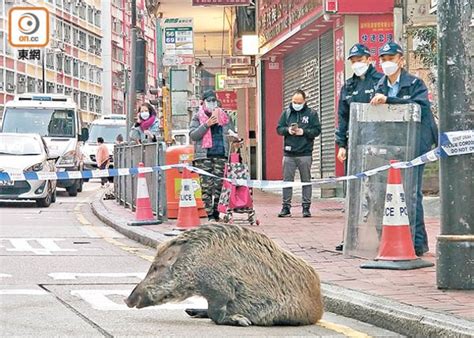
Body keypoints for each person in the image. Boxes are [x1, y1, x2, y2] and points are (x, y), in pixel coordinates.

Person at [370, 41, 438, 257]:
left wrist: (390, 99)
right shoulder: (379, 86)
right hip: (390, 146)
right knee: (389, 195)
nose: (387, 62)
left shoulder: (415, 83)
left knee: (411, 194)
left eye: (391, 58)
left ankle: (417, 242)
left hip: (415, 145)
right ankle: (390, 239)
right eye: (384, 59)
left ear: (401, 60)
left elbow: (418, 107)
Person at [334, 43, 383, 251]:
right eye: (353, 61)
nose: (356, 64)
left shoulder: (381, 81)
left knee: (378, 193)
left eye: (359, 60)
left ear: (369, 60)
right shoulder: (349, 86)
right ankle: (351, 238)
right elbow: (343, 118)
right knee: (353, 194)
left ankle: (383, 238)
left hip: (378, 146)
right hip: (355, 146)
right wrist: (341, 145)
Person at [189, 90, 235, 222]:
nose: (212, 103)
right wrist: (206, 124)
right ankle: (209, 214)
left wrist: (235, 139)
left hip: (221, 155)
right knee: (206, 187)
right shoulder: (198, 116)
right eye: (209, 101)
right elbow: (193, 135)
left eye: (214, 101)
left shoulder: (225, 117)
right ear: (203, 102)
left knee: (220, 186)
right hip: (204, 157)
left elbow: (231, 132)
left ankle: (216, 212)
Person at [276, 89, 321, 218]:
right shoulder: (287, 113)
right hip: (289, 153)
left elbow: (317, 130)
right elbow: (279, 129)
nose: (296, 104)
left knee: (306, 181)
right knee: (287, 181)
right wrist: (288, 130)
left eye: (299, 102)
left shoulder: (311, 114)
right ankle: (286, 207)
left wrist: (304, 132)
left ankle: (306, 207)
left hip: (305, 153)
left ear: (304, 101)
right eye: (294, 101)